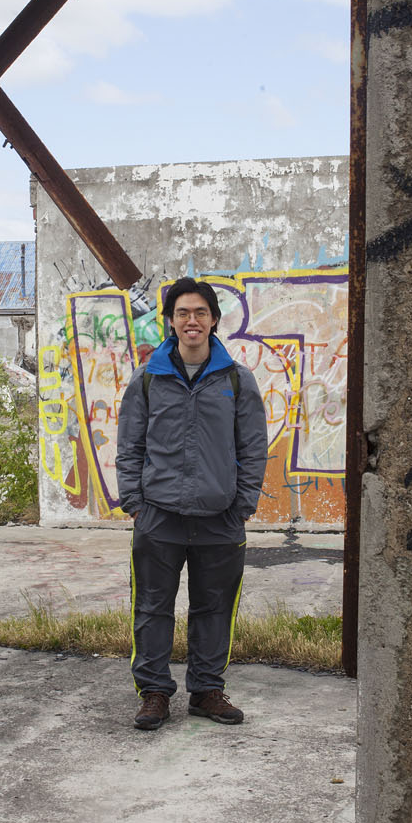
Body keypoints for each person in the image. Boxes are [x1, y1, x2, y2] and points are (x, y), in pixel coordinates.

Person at [115, 276, 268, 731]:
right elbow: (129, 446)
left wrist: (243, 504)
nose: (192, 320)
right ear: (170, 321)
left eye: (200, 312)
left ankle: (206, 691)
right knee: (152, 608)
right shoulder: (148, 379)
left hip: (220, 517)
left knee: (214, 608)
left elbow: (253, 447)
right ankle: (154, 693)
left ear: (214, 320)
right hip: (158, 516)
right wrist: (135, 503)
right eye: (182, 312)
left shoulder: (236, 380)